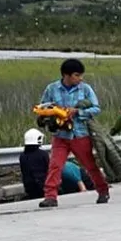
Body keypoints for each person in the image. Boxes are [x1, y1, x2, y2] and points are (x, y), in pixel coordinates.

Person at [36, 58, 111, 208]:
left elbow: (96, 108)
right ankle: (50, 196)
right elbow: (43, 107)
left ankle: (103, 190)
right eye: (77, 75)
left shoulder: (85, 89)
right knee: (55, 165)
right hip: (60, 135)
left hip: (80, 134)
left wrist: (77, 112)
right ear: (66, 75)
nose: (80, 78)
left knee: (89, 165)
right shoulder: (52, 89)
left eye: (81, 75)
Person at [19, 128, 49, 200]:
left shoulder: (22, 156)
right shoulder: (43, 154)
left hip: (29, 187)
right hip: (43, 186)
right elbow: (48, 169)